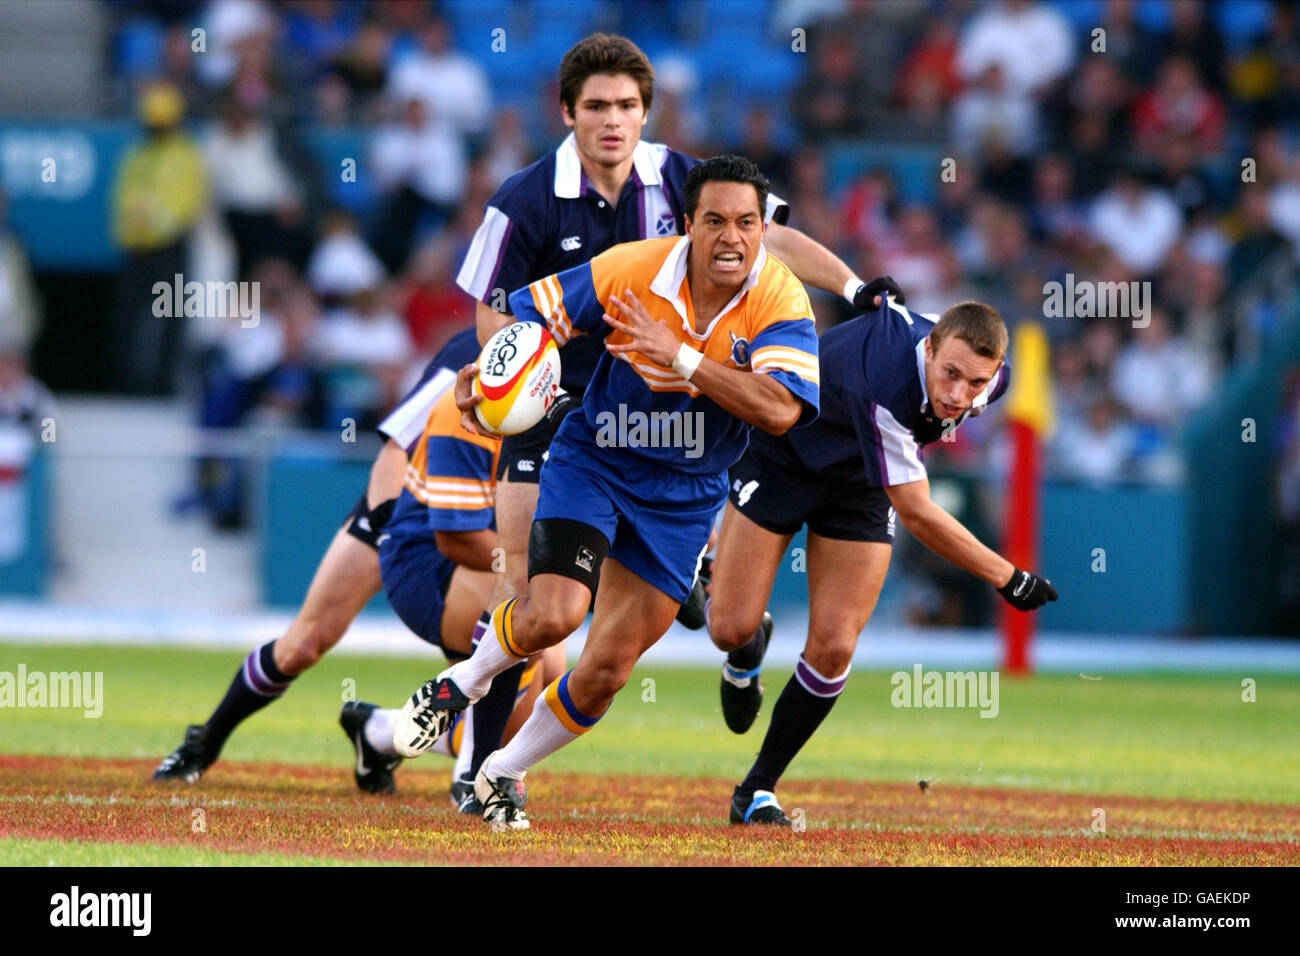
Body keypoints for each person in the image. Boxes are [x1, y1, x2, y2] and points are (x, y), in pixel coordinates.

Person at [452, 32, 895, 804]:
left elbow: (773, 237)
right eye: (597, 106)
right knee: (536, 598)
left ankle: (492, 756)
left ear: (646, 114)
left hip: (683, 424)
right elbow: (498, 314)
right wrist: (508, 381)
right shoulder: (521, 201)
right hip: (561, 414)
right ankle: (472, 767)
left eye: (627, 106)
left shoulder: (692, 182)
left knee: (614, 647)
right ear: (567, 113)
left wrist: (854, 289)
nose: (613, 121)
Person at [393, 156, 821, 830]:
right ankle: (463, 683)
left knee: (606, 671)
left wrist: (679, 356)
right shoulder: (630, 268)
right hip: (595, 461)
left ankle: (501, 771)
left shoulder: (781, 300)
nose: (731, 237)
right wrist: (490, 377)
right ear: (688, 224)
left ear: (764, 229)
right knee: (555, 614)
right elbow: (527, 320)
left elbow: (780, 411)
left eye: (746, 222)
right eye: (714, 221)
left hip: (686, 495)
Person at [704, 297, 1056, 825]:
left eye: (975, 383)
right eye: (950, 374)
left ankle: (756, 789)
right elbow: (916, 512)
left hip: (863, 484)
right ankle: (748, 648)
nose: (958, 394)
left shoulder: (988, 378)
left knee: (836, 645)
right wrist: (1008, 577)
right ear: (929, 347)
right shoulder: (887, 380)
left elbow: (965, 392)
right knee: (729, 626)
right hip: (782, 457)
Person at [153, 329, 481, 789]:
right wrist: (389, 525)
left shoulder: (579, 363)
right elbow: (395, 447)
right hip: (406, 509)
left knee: (500, 675)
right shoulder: (476, 348)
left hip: (477, 525)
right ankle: (204, 742)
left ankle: (382, 734)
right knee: (303, 643)